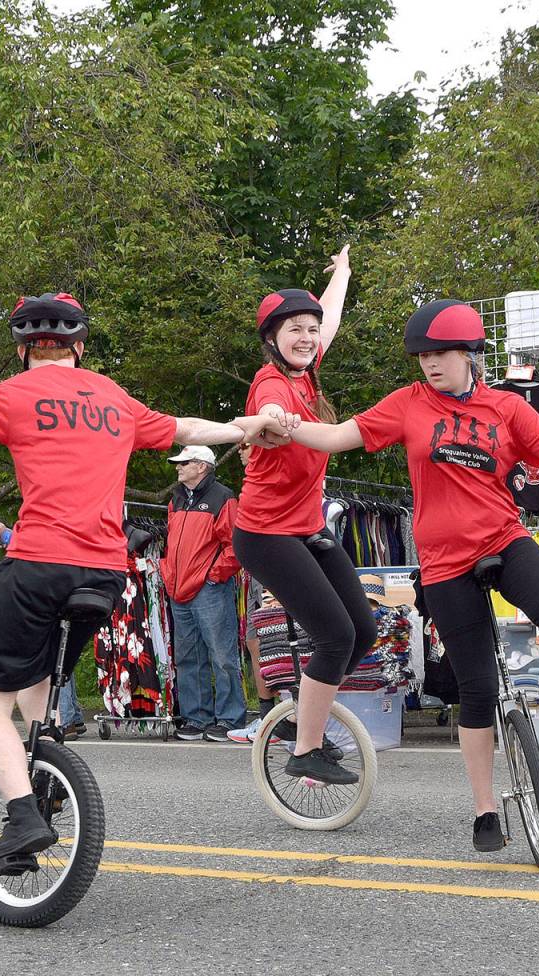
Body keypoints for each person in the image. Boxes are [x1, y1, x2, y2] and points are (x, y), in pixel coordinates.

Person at [0, 291, 283, 879]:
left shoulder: (12, 394)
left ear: (24, 350)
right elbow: (188, 428)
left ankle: (24, 811)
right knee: (35, 679)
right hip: (106, 573)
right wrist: (250, 426)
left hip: (36, 564)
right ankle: (44, 763)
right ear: (79, 348)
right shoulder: (112, 396)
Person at [274, 298, 539, 851]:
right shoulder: (408, 404)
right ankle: (484, 811)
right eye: (423, 356)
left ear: (471, 354)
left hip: (504, 537)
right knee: (476, 690)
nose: (430, 365)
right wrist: (287, 427)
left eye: (442, 354)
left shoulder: (506, 408)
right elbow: (338, 437)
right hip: (444, 563)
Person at [231, 245, 377, 785]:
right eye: (294, 329)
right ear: (272, 339)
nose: (307, 336)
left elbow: (331, 317)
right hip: (265, 533)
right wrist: (269, 419)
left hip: (308, 527)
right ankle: (305, 749)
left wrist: (341, 272)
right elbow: (266, 410)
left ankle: (303, 724)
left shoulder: (308, 370)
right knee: (335, 635)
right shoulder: (272, 382)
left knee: (363, 630)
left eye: (310, 329)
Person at [161, 445, 244, 741]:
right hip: (179, 588)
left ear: (202, 466)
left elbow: (235, 547)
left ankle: (230, 718)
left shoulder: (223, 497)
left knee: (222, 655)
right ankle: (197, 718)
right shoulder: (177, 499)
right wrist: (168, 572)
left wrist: (213, 577)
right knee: (188, 656)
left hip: (209, 589)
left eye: (184, 463)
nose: (178, 467)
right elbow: (172, 544)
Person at [0, 519, 86, 740]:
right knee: (62, 651)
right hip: (89, 575)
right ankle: (70, 716)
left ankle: (61, 720)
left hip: (51, 576)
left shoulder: (50, 511)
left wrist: (7, 536)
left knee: (45, 657)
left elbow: (43, 547)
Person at [228, 443, 271, 744]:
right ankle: (268, 717)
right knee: (256, 645)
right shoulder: (254, 484)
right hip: (256, 571)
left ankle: (278, 717)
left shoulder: (269, 482)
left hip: (269, 571)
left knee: (270, 644)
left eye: (245, 446)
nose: (241, 452)